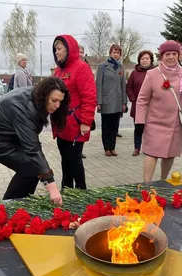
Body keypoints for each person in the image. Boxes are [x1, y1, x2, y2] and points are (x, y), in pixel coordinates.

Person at [0, 77, 68, 204]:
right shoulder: (24, 108)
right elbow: (33, 149)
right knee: (29, 168)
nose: (57, 106)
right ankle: (8, 207)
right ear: (44, 95)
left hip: (8, 134)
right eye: (54, 100)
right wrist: (52, 187)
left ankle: (22, 203)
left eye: (60, 102)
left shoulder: (36, 97)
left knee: (32, 168)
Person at [135, 40, 182, 182]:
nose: (171, 57)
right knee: (151, 153)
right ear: (161, 56)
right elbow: (142, 99)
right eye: (167, 54)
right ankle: (147, 185)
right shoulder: (152, 74)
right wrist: (140, 121)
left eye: (174, 54)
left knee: (170, 154)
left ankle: (163, 182)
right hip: (155, 122)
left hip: (176, 124)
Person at [52, 35, 96, 189]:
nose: (56, 52)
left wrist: (86, 122)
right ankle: (67, 189)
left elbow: (89, 96)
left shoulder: (81, 67)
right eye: (55, 49)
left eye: (59, 49)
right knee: (65, 159)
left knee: (74, 160)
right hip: (62, 124)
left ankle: (81, 191)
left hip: (76, 124)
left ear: (69, 49)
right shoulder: (58, 70)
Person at [96, 44, 127, 156]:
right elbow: (98, 84)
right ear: (110, 53)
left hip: (118, 102)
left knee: (114, 126)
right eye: (114, 52)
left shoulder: (121, 67)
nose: (116, 54)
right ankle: (106, 148)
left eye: (118, 53)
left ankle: (112, 147)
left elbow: (123, 85)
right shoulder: (102, 66)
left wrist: (124, 102)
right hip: (106, 101)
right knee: (106, 126)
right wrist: (98, 101)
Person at [126, 50, 155, 156]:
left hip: (152, 105)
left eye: (147, 58)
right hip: (138, 105)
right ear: (139, 60)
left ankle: (149, 148)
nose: (145, 60)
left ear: (151, 60)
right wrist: (133, 99)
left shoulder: (156, 72)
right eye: (142, 59)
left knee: (150, 128)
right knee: (138, 127)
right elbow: (128, 87)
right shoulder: (134, 73)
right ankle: (137, 147)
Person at [78, 44, 90, 159]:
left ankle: (79, 150)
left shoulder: (86, 66)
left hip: (83, 106)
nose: (80, 54)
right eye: (78, 51)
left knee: (82, 130)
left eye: (82, 52)